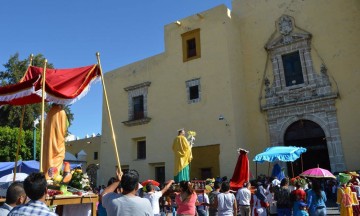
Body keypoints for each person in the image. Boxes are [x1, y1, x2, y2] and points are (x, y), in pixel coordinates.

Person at [42, 103, 68, 179]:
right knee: (58, 157)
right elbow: (63, 130)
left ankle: (48, 175)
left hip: (48, 142)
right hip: (57, 142)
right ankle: (52, 177)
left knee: (48, 158)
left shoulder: (49, 113)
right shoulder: (61, 112)